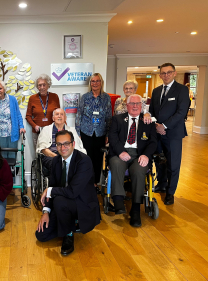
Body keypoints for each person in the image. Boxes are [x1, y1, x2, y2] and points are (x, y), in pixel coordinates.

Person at [36, 130, 101, 256]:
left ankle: (68, 233)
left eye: (66, 143)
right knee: (41, 235)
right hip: (64, 203)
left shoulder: (84, 161)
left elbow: (71, 192)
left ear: (73, 144)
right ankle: (67, 223)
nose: (62, 147)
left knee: (59, 201)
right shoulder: (55, 161)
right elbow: (53, 187)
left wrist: (49, 190)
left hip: (82, 203)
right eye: (59, 144)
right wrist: (46, 212)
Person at [108, 94, 157, 227]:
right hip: (121, 152)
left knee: (139, 170)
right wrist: (120, 152)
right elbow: (112, 137)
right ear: (127, 106)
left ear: (141, 106)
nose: (135, 106)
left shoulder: (148, 121)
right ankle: (118, 200)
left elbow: (153, 142)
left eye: (138, 104)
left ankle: (135, 209)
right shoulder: (117, 119)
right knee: (116, 164)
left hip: (140, 154)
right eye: (132, 104)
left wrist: (146, 155)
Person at [149, 63, 190, 205]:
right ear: (160, 75)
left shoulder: (182, 90)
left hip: (173, 133)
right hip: (157, 133)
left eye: (169, 72)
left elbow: (181, 112)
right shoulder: (156, 91)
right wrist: (156, 125)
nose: (166, 75)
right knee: (159, 161)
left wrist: (164, 126)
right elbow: (152, 111)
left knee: (173, 164)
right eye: (163, 73)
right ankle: (161, 184)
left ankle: (170, 192)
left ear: (174, 73)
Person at [75, 73, 112, 190]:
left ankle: (96, 182)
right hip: (86, 132)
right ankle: (87, 182)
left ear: (101, 83)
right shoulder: (85, 97)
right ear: (90, 83)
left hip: (100, 133)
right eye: (93, 81)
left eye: (97, 81)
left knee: (98, 159)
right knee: (87, 158)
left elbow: (109, 117)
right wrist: (78, 133)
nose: (95, 83)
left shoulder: (106, 98)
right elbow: (79, 115)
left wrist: (108, 134)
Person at [0, 79, 26, 160]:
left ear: (4, 89)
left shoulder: (12, 99)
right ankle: (0, 172)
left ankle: (11, 172)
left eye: (0, 88)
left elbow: (18, 115)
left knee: (11, 156)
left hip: (11, 132)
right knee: (0, 157)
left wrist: (21, 127)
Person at [26, 74, 60, 147]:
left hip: (52, 131)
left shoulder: (55, 97)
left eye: (44, 85)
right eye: (39, 85)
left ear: (48, 85)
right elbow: (28, 116)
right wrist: (34, 126)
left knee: (52, 152)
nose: (42, 87)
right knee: (39, 154)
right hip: (37, 132)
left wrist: (63, 127)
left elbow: (59, 114)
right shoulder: (32, 98)